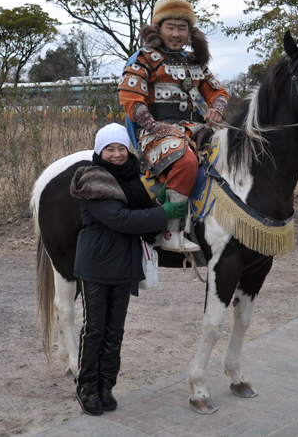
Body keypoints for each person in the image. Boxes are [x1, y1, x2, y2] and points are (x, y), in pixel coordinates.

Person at [70, 123, 187, 416]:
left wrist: (157, 205)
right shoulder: (93, 180)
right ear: (100, 151)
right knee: (94, 330)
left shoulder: (133, 180)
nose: (117, 154)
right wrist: (162, 213)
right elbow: (122, 219)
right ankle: (86, 387)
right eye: (110, 149)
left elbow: (140, 215)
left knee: (115, 331)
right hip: (96, 265)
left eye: (121, 148)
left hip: (123, 263)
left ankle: (106, 387)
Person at [118, 0, 229, 253]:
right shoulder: (144, 59)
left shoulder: (195, 62)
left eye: (182, 28)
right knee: (186, 160)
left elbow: (218, 92)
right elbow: (131, 98)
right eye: (171, 27)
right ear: (159, 29)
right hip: (154, 134)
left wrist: (216, 109)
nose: (176, 34)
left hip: (195, 131)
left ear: (190, 32)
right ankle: (170, 230)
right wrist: (157, 127)